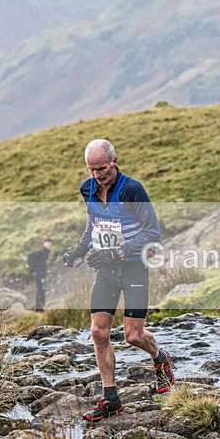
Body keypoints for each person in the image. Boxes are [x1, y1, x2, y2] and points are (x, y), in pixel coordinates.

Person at [61, 139, 174, 422]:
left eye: (102, 168)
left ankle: (160, 359)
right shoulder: (87, 189)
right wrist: (80, 248)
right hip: (107, 270)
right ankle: (111, 399)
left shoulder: (133, 189)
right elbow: (94, 221)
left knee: (133, 336)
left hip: (135, 268)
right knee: (99, 333)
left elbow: (153, 231)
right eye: (92, 169)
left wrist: (118, 252)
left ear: (115, 161)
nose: (97, 175)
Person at [27, 239, 53, 311]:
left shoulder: (46, 252)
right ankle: (39, 308)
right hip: (38, 273)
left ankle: (39, 308)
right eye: (47, 243)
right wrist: (33, 268)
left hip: (41, 273)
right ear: (43, 243)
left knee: (41, 289)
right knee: (41, 289)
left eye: (49, 243)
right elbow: (30, 255)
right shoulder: (41, 252)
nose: (48, 244)